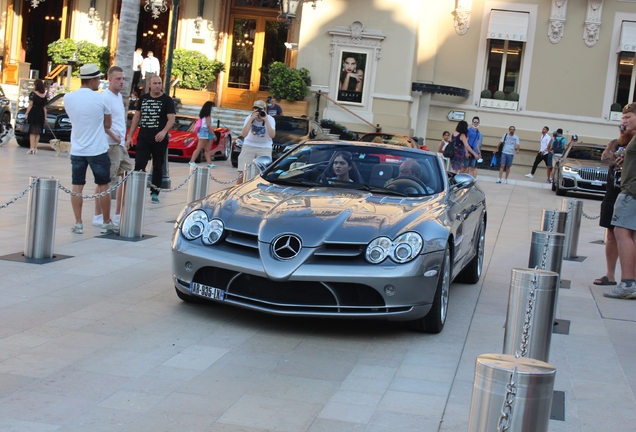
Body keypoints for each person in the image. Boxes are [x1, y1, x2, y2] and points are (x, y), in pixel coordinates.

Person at [63, 64, 117, 235]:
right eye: (98, 79)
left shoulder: (68, 98)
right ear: (92, 80)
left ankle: (78, 223)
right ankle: (106, 222)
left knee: (77, 185)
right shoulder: (102, 99)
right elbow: (108, 124)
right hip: (97, 149)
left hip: (78, 149)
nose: (100, 83)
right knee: (103, 185)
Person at [93, 66, 134, 227]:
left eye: (123, 78)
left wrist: (123, 139)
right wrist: (114, 136)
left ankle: (118, 214)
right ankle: (98, 216)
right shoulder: (105, 98)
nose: (122, 81)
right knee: (105, 181)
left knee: (126, 175)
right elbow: (102, 123)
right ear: (109, 79)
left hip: (120, 145)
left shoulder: (119, 98)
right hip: (110, 145)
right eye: (118, 79)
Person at [126, 74, 176, 204]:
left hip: (159, 138)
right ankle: (137, 190)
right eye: (155, 83)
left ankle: (155, 192)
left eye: (159, 83)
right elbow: (137, 117)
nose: (158, 86)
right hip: (144, 136)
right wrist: (130, 135)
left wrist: (164, 132)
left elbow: (171, 119)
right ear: (149, 84)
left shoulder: (167, 100)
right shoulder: (143, 98)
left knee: (158, 165)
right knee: (140, 163)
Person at [595, 124, 634, 286]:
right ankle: (610, 275)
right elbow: (605, 157)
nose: (622, 124)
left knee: (629, 236)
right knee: (611, 235)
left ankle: (630, 279)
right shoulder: (616, 143)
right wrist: (618, 158)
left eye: (627, 118)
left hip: (629, 194)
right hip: (613, 193)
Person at [605, 102, 636, 299]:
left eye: (628, 117)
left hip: (631, 191)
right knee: (631, 235)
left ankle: (627, 283)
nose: (623, 121)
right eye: (622, 118)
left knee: (621, 232)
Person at [237, 100, 275, 184]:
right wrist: (251, 119)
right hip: (249, 144)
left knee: (264, 173)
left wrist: (266, 120)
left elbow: (272, 135)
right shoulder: (249, 118)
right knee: (242, 170)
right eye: (255, 109)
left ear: (265, 110)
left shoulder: (270, 119)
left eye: (259, 109)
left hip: (265, 146)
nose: (257, 112)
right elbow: (243, 134)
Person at [24, 78, 47, 155]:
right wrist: (45, 117)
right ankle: (35, 148)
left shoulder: (33, 94)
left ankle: (31, 148)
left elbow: (30, 105)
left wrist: (27, 113)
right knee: (37, 132)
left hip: (34, 112)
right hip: (41, 113)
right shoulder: (44, 95)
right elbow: (44, 107)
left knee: (32, 132)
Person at [189, 101, 216, 167]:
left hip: (204, 132)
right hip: (204, 132)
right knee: (199, 148)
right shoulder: (207, 116)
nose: (213, 108)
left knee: (207, 149)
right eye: (212, 106)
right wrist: (214, 134)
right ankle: (191, 161)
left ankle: (209, 163)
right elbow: (208, 126)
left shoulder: (204, 115)